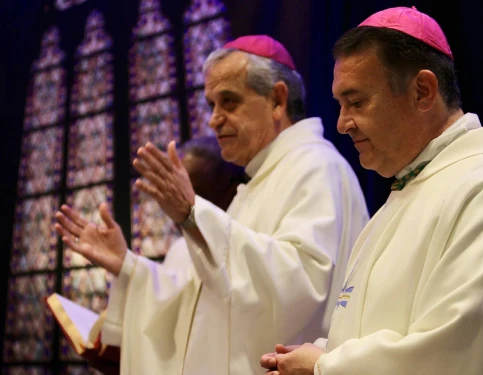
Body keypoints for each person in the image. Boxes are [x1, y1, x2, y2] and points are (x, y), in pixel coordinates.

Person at [260, 7, 483, 375]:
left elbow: (458, 354)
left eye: (357, 102)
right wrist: (321, 353)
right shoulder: (406, 194)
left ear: (423, 92)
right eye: (340, 104)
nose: (342, 123)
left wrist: (326, 367)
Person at [60, 35, 370, 374]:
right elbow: (205, 304)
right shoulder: (259, 182)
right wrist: (130, 268)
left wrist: (193, 215)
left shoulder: (316, 168)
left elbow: (298, 288)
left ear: (277, 100)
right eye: (211, 105)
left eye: (229, 102)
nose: (213, 119)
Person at [55, 135, 246, 374]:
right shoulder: (179, 249)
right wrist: (126, 265)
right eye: (171, 194)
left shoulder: (245, 240)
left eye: (192, 194)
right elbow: (168, 323)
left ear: (229, 188)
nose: (177, 204)